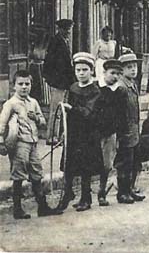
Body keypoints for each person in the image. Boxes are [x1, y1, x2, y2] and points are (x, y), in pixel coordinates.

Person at [0, 70, 63, 219]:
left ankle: (43, 207)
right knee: (18, 175)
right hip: (19, 143)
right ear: (13, 86)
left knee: (36, 173)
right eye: (20, 84)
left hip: (33, 142)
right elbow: (1, 123)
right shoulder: (11, 104)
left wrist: (36, 117)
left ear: (31, 85)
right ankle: (17, 209)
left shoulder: (33, 102)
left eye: (27, 84)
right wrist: (1, 142)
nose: (24, 87)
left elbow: (43, 122)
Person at [54, 53, 102, 212]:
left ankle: (86, 198)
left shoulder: (95, 90)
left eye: (84, 70)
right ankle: (67, 194)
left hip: (87, 134)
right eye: (78, 70)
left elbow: (89, 113)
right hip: (73, 132)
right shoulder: (73, 88)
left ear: (92, 71)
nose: (81, 73)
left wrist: (73, 109)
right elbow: (65, 112)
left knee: (85, 167)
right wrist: (63, 131)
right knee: (69, 164)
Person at [95, 58, 124, 206]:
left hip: (110, 133)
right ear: (104, 72)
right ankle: (85, 196)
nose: (116, 77)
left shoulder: (119, 91)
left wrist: (119, 134)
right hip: (94, 133)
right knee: (90, 163)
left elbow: (121, 114)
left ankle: (101, 192)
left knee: (106, 165)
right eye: (113, 73)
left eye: (119, 74)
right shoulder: (95, 88)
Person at [115, 53, 143, 204]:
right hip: (125, 131)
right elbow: (119, 113)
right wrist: (121, 133)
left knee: (133, 162)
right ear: (121, 71)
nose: (133, 70)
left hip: (134, 130)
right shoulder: (121, 87)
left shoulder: (132, 85)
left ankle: (130, 189)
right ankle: (122, 192)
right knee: (124, 163)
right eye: (129, 67)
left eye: (135, 66)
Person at [43, 19, 75, 130]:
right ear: (60, 29)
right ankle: (52, 136)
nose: (68, 32)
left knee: (63, 109)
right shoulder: (55, 42)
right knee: (56, 109)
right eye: (66, 29)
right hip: (58, 81)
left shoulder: (64, 41)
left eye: (69, 29)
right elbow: (50, 62)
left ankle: (61, 133)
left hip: (65, 81)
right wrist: (52, 78)